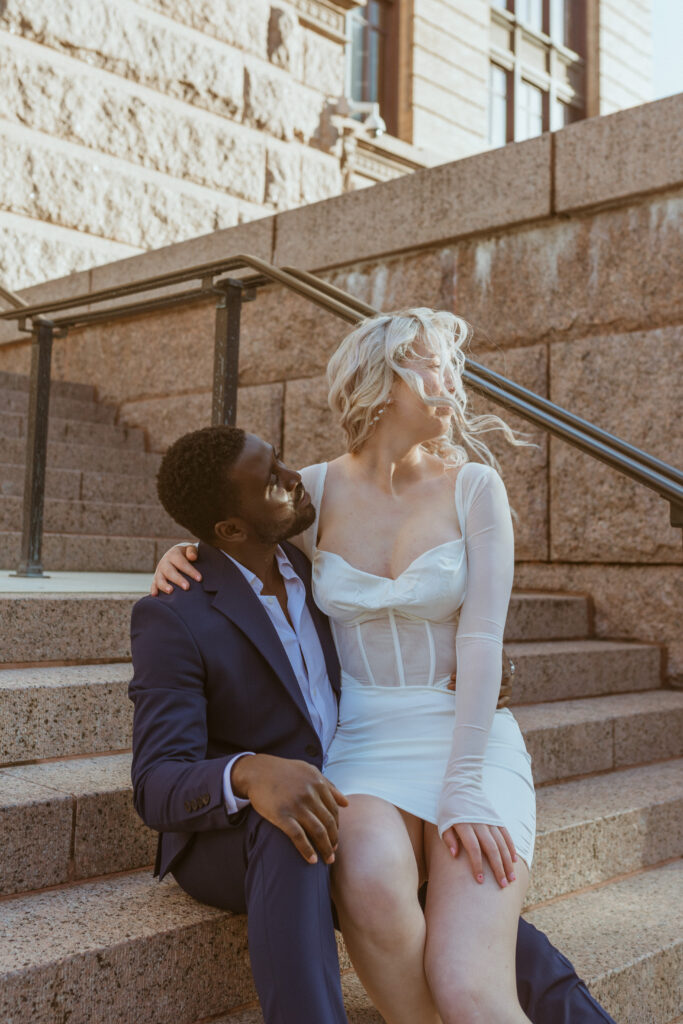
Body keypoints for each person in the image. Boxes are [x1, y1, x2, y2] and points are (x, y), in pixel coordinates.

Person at [142, 310, 617, 1024]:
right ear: (377, 382)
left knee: (464, 980)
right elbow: (225, 528)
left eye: (450, 363)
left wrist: (462, 788)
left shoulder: (475, 488)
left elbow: (482, 638)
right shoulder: (312, 491)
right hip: (358, 748)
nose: (449, 380)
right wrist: (175, 556)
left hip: (467, 738)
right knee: (374, 898)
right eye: (428, 364)